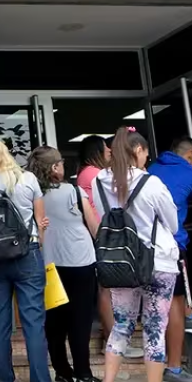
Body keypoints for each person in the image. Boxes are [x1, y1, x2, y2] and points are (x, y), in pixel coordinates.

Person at [0, 135, 74, 382]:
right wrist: (37, 242)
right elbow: (41, 223)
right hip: (26, 254)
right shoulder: (27, 179)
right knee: (33, 323)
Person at [93, 127, 182, 382]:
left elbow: (104, 216)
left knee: (122, 323)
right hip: (157, 261)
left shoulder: (98, 182)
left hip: (121, 262)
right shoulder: (151, 183)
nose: (147, 158)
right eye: (145, 153)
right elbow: (172, 222)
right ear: (138, 150)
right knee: (155, 326)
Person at [27, 146, 101, 382]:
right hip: (80, 260)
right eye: (60, 163)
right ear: (55, 167)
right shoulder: (74, 191)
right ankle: (83, 374)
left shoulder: (33, 194)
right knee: (80, 319)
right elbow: (93, 226)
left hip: (48, 263)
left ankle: (62, 371)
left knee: (55, 320)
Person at [148, 137, 192, 382]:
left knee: (157, 301)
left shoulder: (152, 169)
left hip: (145, 246)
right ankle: (173, 368)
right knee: (174, 301)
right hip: (171, 246)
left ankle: (191, 314)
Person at [76, 136, 123, 355]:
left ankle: (112, 339)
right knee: (107, 289)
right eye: (106, 148)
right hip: (102, 236)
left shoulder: (86, 173)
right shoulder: (94, 174)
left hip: (99, 236)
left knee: (108, 288)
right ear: (96, 151)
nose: (110, 151)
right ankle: (113, 341)